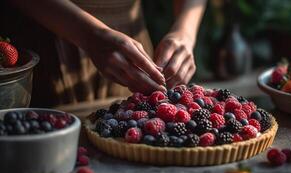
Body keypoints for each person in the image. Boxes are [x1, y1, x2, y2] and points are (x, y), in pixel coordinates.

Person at [1, 0, 207, 107]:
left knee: (130, 128)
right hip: (48, 46)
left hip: (135, 50)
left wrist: (185, 32)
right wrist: (87, 34)